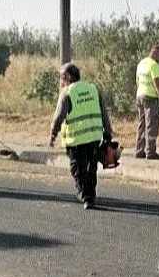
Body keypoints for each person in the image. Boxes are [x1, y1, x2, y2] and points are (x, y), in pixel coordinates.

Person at [48, 63, 113, 210]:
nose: (61, 81)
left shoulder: (67, 93)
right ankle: (90, 196)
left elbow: (58, 117)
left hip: (76, 139)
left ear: (69, 77)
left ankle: (84, 194)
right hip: (94, 137)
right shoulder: (93, 89)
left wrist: (53, 135)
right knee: (91, 168)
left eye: (62, 77)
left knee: (77, 169)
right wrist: (108, 132)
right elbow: (104, 112)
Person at [134, 44, 159, 160]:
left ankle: (139, 150)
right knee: (152, 125)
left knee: (142, 124)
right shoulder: (154, 66)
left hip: (140, 96)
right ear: (156, 53)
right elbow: (158, 86)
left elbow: (137, 81)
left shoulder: (141, 63)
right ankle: (151, 152)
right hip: (150, 98)